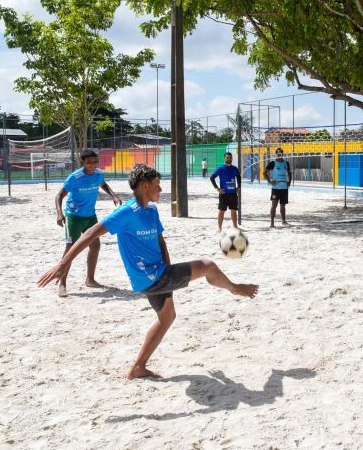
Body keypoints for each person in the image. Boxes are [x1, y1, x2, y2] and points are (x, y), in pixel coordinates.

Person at [39, 164, 258, 379]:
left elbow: (161, 242)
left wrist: (169, 268)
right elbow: (88, 234)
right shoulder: (125, 213)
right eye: (157, 184)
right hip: (149, 277)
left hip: (159, 273)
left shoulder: (151, 210)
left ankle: (138, 367)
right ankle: (234, 288)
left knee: (167, 317)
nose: (160, 189)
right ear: (144, 186)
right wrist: (63, 263)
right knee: (208, 266)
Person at [54, 149, 121, 297]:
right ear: (82, 163)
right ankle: (62, 283)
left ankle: (90, 280)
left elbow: (103, 184)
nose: (92, 165)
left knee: (95, 246)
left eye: (95, 161)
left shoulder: (98, 173)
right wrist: (60, 213)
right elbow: (59, 196)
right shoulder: (75, 177)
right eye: (89, 162)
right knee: (70, 250)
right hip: (74, 217)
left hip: (90, 216)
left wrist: (114, 195)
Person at [210, 152, 241, 232]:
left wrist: (239, 187)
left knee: (233, 211)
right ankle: (219, 228)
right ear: (224, 158)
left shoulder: (234, 168)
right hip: (223, 194)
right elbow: (212, 178)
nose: (229, 159)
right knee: (221, 211)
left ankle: (235, 226)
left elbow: (238, 177)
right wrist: (217, 188)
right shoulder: (220, 168)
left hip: (233, 194)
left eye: (230, 158)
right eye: (227, 158)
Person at [264, 147, 292, 227]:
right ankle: (272, 223)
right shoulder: (273, 163)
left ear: (282, 154)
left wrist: (289, 182)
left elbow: (289, 173)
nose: (279, 154)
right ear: (276, 154)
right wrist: (270, 181)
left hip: (284, 188)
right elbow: (264, 173)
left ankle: (283, 221)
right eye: (278, 153)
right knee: (274, 205)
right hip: (275, 188)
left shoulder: (286, 163)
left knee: (283, 205)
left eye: (281, 153)